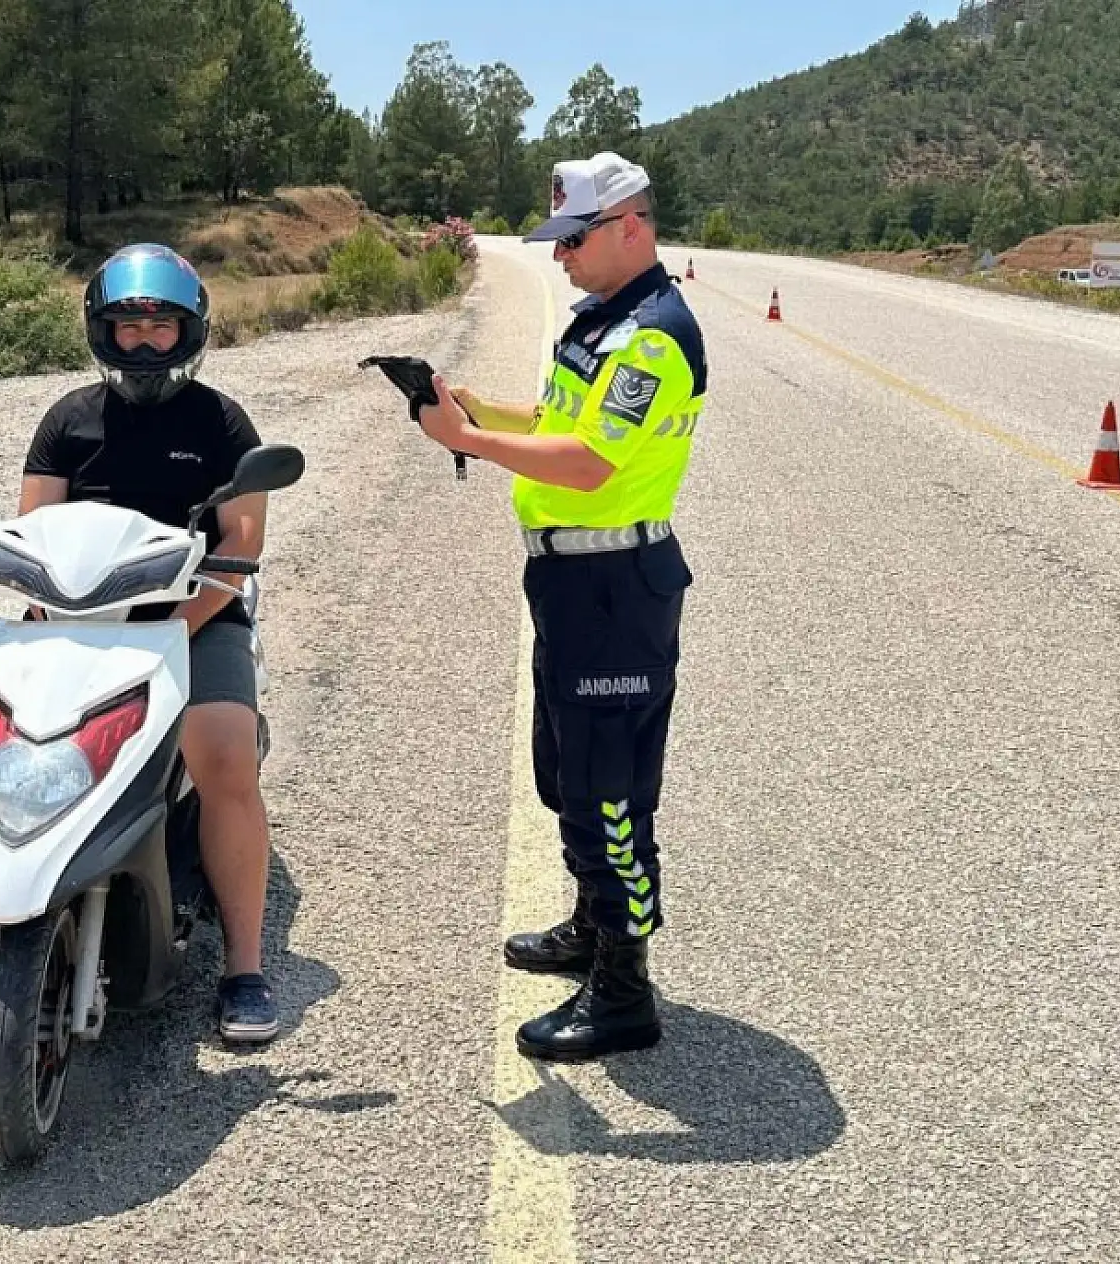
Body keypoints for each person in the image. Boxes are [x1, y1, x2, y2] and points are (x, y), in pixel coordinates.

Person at [0, 243, 281, 1045]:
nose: (142, 343)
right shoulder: (68, 420)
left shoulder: (222, 422)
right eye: (126, 327)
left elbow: (241, 548)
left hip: (191, 618)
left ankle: (244, 966)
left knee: (224, 752)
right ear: (101, 332)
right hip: (68, 617)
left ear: (189, 332)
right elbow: (34, 532)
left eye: (160, 327)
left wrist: (169, 631)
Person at [416, 152, 708, 1061]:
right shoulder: (600, 323)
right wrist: (469, 405)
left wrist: (469, 441)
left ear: (630, 227)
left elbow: (588, 463)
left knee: (610, 791)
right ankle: (592, 925)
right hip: (572, 581)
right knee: (569, 775)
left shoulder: (653, 336)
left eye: (573, 239)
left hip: (617, 585)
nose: (559, 257)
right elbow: (553, 423)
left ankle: (624, 989)